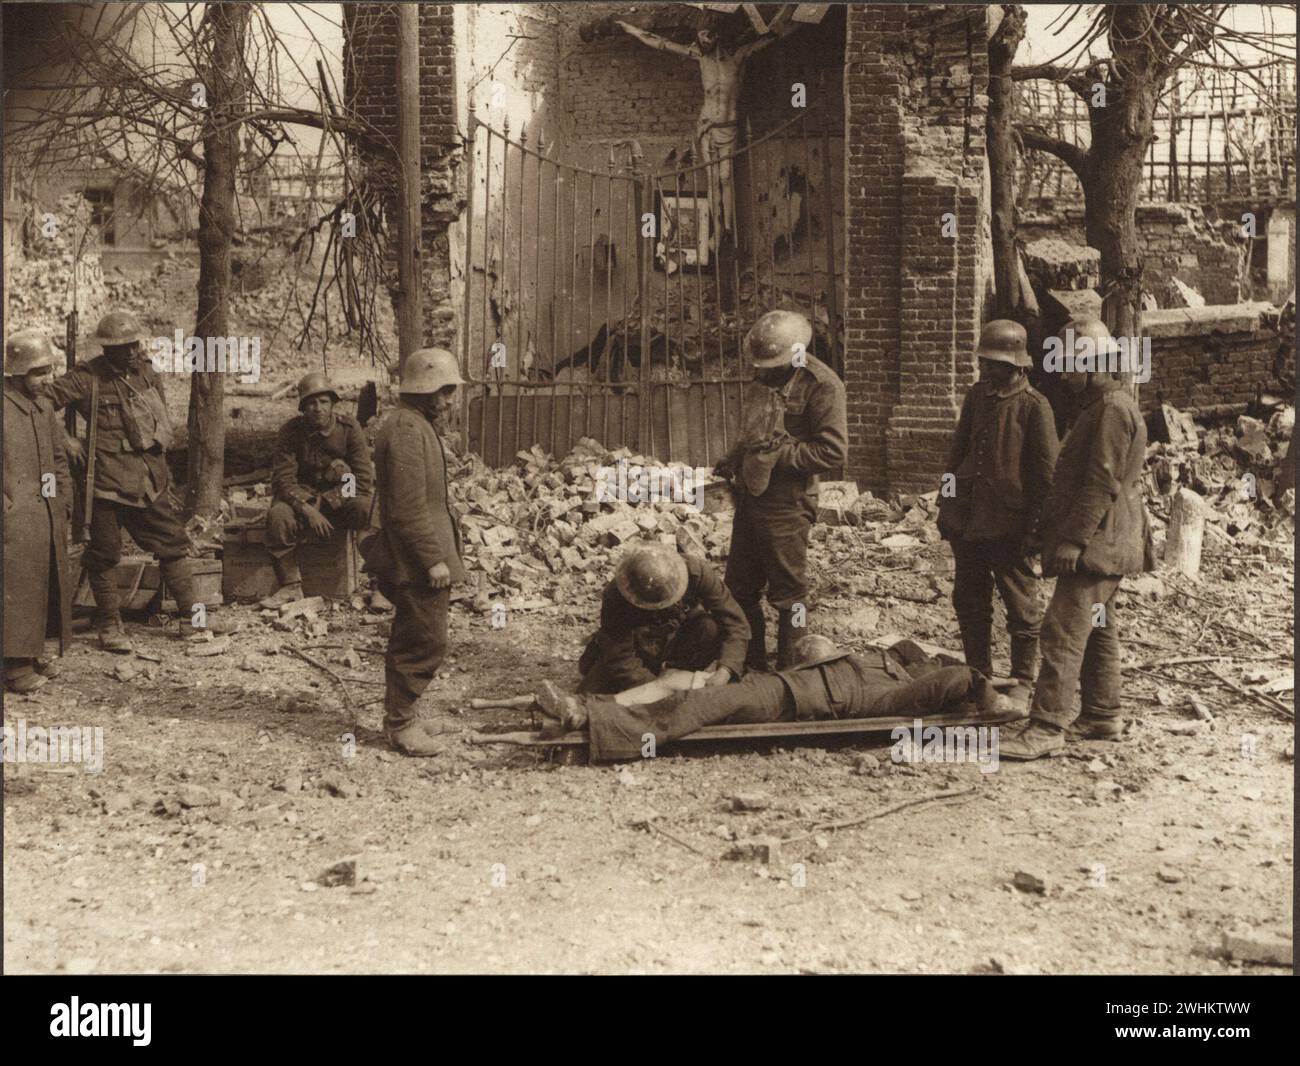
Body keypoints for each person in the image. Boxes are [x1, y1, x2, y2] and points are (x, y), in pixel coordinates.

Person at [1000, 317, 1154, 760]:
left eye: (1069, 365)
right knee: (1099, 629)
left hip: (1099, 542)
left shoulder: (1110, 411)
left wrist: (1072, 542)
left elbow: (1099, 486)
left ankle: (1047, 726)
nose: (1063, 374)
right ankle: (1104, 713)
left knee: (1062, 630)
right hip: (1108, 537)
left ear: (1094, 364)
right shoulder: (1101, 406)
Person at [538, 634, 1002, 762]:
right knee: (680, 682)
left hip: (791, 701)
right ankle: (596, 704)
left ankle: (593, 722)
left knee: (695, 709)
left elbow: (957, 677)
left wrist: (984, 692)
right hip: (779, 683)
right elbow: (908, 649)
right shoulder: (893, 660)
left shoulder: (903, 695)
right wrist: (914, 656)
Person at [42, 310, 210, 652]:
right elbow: (42, 401)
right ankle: (110, 625)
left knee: (173, 545)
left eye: (135, 344)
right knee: (104, 554)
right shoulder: (87, 377)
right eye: (123, 347)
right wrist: (63, 439)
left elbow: (158, 426)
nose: (132, 352)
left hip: (149, 481)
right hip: (106, 484)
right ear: (107, 349)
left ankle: (195, 620)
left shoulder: (147, 373)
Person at [716, 309, 847, 670]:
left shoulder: (823, 386)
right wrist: (733, 459)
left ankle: (793, 670)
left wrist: (780, 455)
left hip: (788, 503)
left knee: (791, 598)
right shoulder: (766, 375)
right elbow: (755, 432)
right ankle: (752, 666)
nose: (764, 371)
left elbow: (833, 451)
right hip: (751, 497)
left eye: (772, 364)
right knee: (739, 590)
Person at [937, 319, 1058, 694]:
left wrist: (1036, 530)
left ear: (1016, 365)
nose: (985, 369)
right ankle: (979, 673)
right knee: (969, 599)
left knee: (1021, 604)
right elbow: (955, 455)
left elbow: (1046, 477)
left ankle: (1023, 678)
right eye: (984, 362)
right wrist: (945, 501)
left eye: (993, 364)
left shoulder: (1034, 407)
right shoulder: (977, 397)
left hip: (1009, 524)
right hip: (968, 520)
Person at [361, 349, 465, 757]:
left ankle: (406, 713)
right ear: (426, 390)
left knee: (421, 633)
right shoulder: (405, 430)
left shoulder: (413, 424)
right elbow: (406, 508)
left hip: (420, 553)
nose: (450, 400)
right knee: (421, 638)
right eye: (446, 391)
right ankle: (401, 723)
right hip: (415, 559)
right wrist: (431, 558)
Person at [261, 371, 374, 608]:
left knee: (367, 509)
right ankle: (290, 586)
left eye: (323, 401)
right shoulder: (291, 432)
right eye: (311, 403)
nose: (318, 408)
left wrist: (332, 499)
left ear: (333, 403)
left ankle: (379, 581)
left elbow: (362, 480)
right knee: (278, 516)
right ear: (303, 407)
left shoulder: (349, 429)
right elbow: (283, 480)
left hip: (342, 499)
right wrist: (308, 508)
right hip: (305, 501)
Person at [577, 544, 750, 694]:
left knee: (709, 628)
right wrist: (654, 687)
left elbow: (735, 623)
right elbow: (620, 653)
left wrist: (726, 669)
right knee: (590, 695)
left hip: (678, 638)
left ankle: (676, 672)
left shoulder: (696, 572)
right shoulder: (617, 593)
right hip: (640, 646)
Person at [4, 330, 72, 693]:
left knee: (45, 583)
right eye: (38, 372)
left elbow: (58, 458)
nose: (47, 379)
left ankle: (32, 652)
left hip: (45, 510)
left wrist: (63, 500)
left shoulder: (44, 407)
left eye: (48, 371)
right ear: (15, 373)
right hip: (15, 516)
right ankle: (14, 668)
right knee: (18, 587)